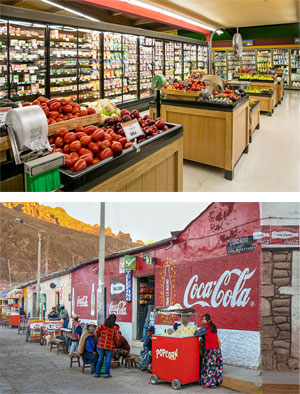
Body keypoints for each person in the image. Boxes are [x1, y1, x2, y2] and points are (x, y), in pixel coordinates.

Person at [195, 313, 223, 389]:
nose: (203, 321)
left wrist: (193, 331)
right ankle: (215, 381)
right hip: (217, 350)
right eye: (202, 319)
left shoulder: (205, 328)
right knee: (215, 366)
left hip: (210, 350)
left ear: (209, 320)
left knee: (209, 367)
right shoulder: (213, 326)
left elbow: (197, 333)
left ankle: (211, 383)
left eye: (204, 319)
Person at [94, 314, 120, 378]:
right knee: (108, 359)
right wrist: (115, 342)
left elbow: (97, 330)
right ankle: (106, 373)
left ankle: (97, 373)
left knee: (100, 358)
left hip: (102, 344)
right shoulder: (115, 327)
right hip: (110, 345)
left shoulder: (104, 324)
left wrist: (99, 336)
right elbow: (117, 337)